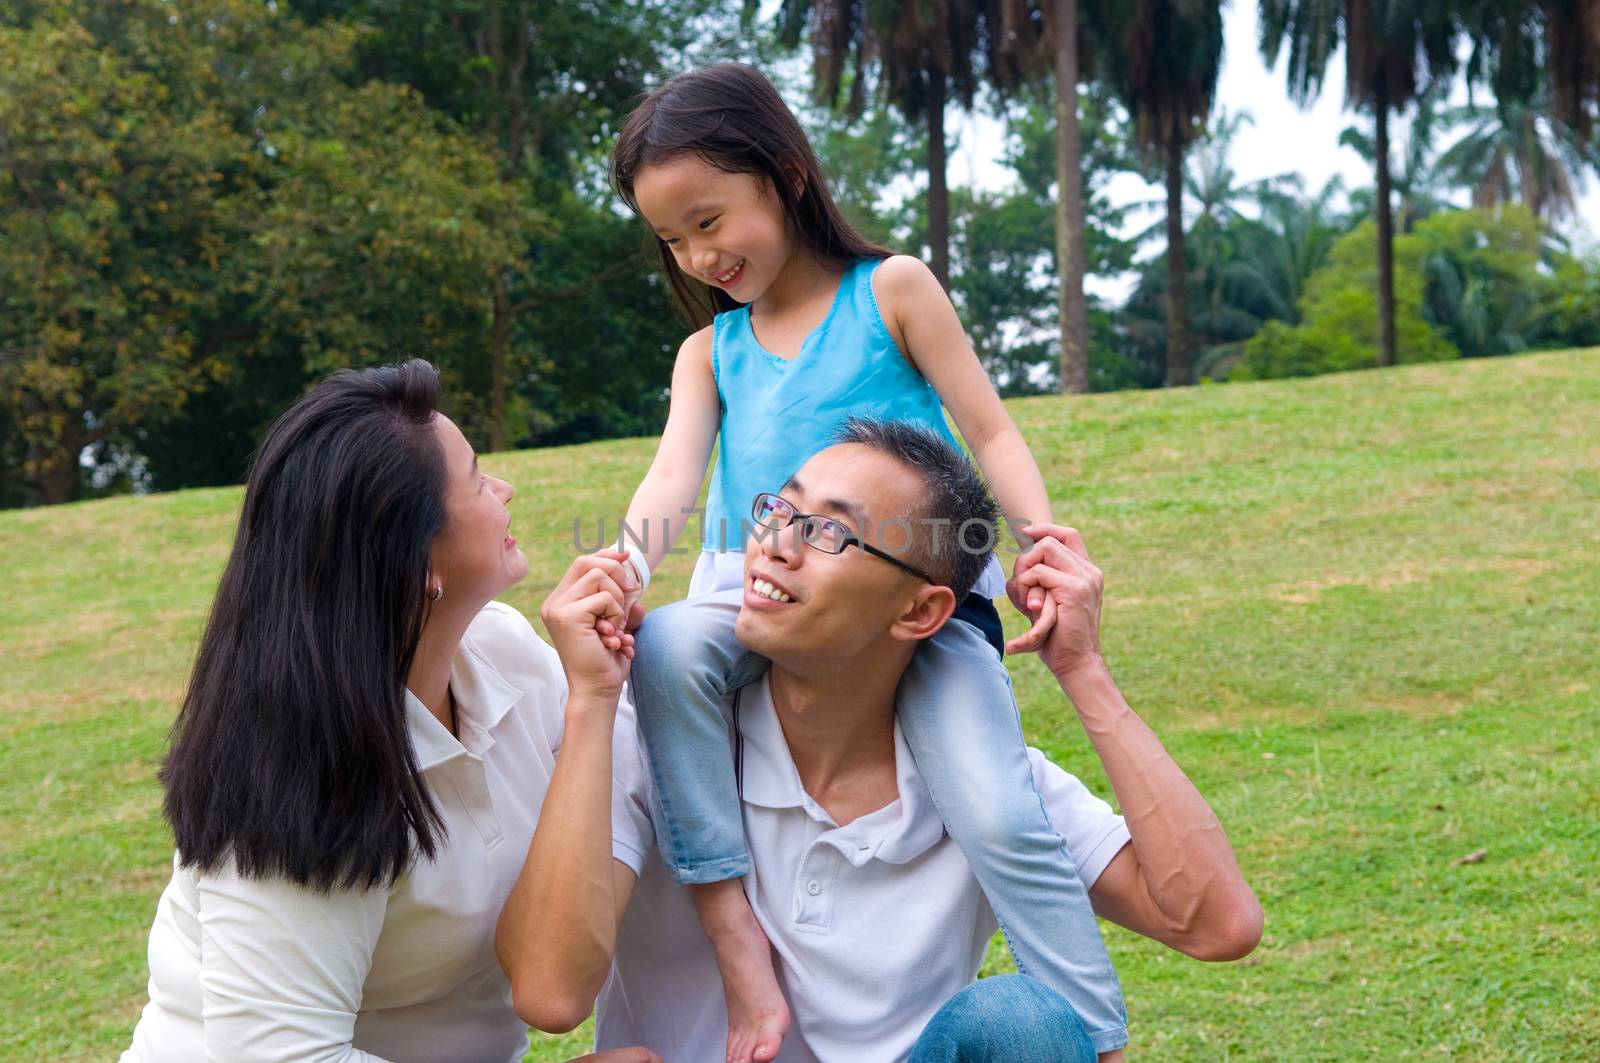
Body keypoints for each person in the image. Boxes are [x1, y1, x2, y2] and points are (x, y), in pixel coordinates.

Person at [603, 61, 1126, 1062]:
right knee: (667, 646)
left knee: (995, 804)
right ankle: (735, 944)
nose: (697, 253)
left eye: (710, 220)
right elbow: (671, 478)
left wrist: (1041, 539)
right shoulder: (709, 353)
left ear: (786, 174)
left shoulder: (890, 289)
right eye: (672, 238)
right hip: (745, 593)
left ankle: (1093, 1037)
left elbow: (990, 429)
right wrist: (628, 567)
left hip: (911, 607)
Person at [497, 419, 1264, 1063]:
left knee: (1022, 1022)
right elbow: (550, 992)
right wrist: (595, 698)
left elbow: (1216, 923)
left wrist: (1086, 673)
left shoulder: (983, 779)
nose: (774, 544)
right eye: (779, 509)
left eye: (829, 530)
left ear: (919, 612)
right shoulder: (663, 732)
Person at [121, 360, 656, 1063]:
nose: (506, 490)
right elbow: (284, 1056)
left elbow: (556, 972)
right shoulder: (301, 778)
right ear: (417, 565)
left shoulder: (505, 654)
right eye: (476, 480)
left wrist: (593, 697)